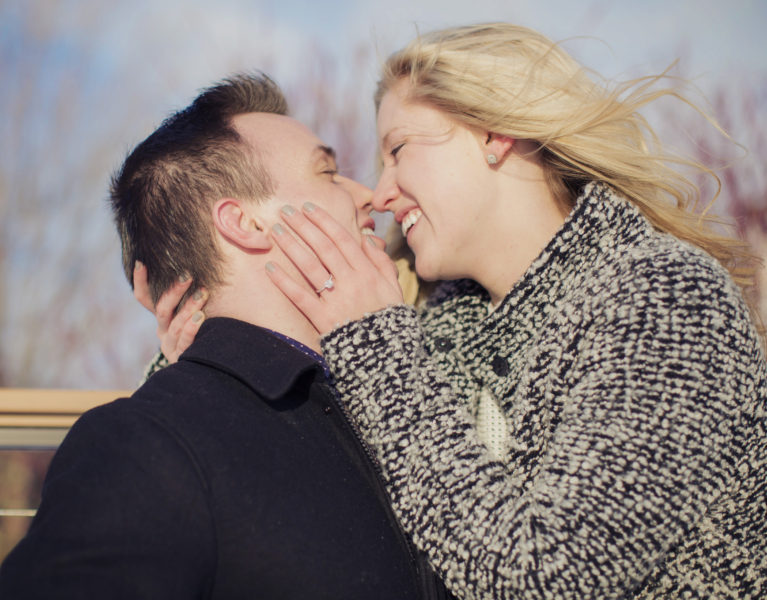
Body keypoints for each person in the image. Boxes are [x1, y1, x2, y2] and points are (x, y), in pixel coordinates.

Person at [136, 24, 766, 600]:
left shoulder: (665, 296)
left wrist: (375, 344)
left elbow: (549, 576)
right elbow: (286, 479)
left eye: (399, 148)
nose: (381, 193)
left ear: (494, 133)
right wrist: (196, 367)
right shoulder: (433, 334)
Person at [0, 73, 449, 600]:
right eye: (328, 171)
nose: (367, 194)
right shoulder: (147, 444)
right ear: (246, 223)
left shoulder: (392, 408)